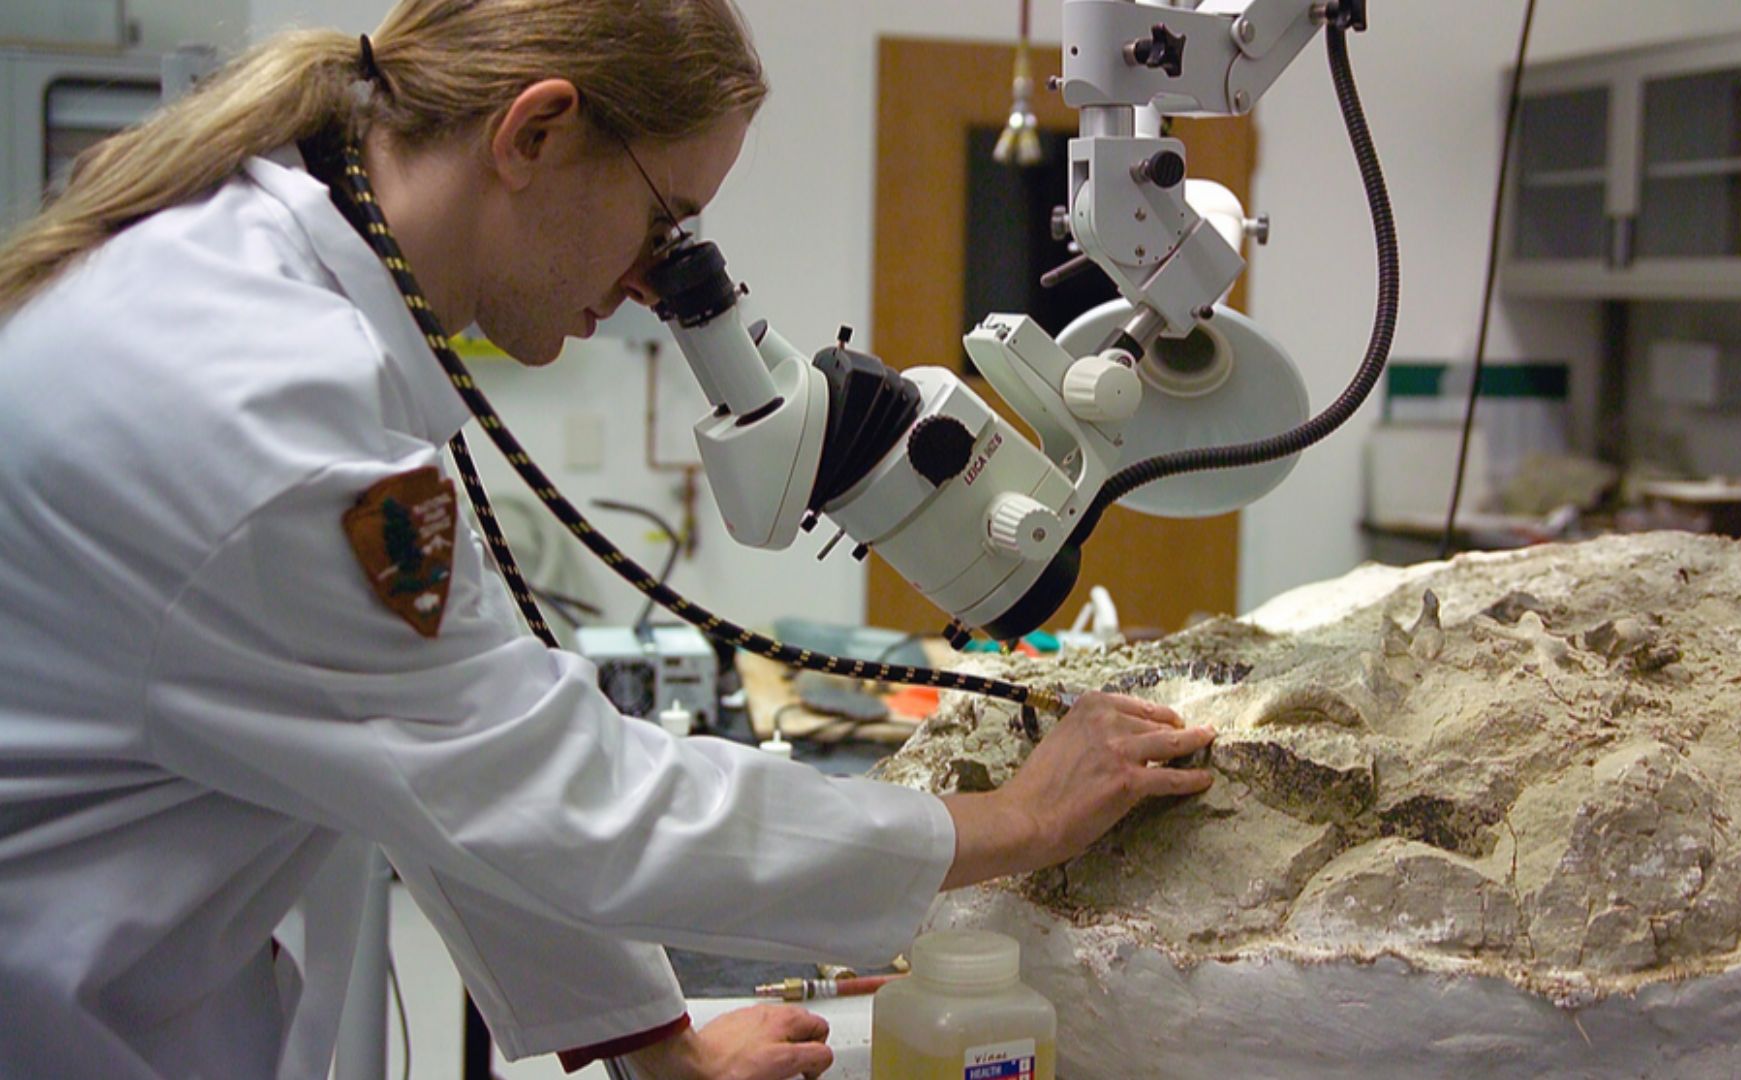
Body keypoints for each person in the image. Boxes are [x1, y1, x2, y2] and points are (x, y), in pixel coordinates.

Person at [0, 1, 1216, 1077]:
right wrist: (1015, 823)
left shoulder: (283, 301)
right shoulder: (266, 405)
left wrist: (655, 1045)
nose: (658, 280)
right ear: (535, 133)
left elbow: (448, 762)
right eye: (666, 219)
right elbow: (549, 795)